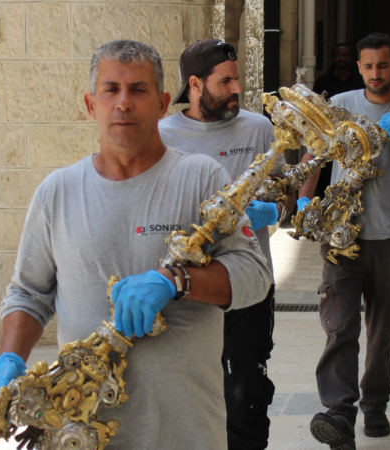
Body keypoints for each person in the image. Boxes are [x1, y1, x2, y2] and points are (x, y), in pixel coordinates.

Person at [0, 39, 271, 450]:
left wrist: (176, 281)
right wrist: (9, 360)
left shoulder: (201, 178)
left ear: (162, 103)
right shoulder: (58, 192)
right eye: (111, 90)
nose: (123, 103)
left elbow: (254, 275)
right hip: (82, 430)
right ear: (90, 104)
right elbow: (28, 294)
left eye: (138, 90)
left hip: (186, 431)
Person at [297, 33, 390, 449]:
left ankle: (374, 404)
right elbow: (314, 157)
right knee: (338, 325)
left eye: (383, 65)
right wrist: (304, 201)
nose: (376, 74)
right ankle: (339, 413)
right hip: (341, 234)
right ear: (359, 67)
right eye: (368, 66)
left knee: (381, 330)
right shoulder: (340, 106)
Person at [159, 39, 295, 450]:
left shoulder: (259, 129)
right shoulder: (163, 135)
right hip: (187, 289)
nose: (237, 89)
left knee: (245, 398)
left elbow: (285, 193)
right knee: (188, 397)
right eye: (227, 80)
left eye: (238, 79)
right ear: (195, 84)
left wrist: (276, 212)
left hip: (249, 287)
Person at [311, 43, 367, 200]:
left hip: (355, 137)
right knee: (326, 176)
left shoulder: (360, 81)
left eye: (346, 55)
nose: (342, 59)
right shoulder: (322, 82)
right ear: (333, 58)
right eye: (339, 55)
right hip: (331, 137)